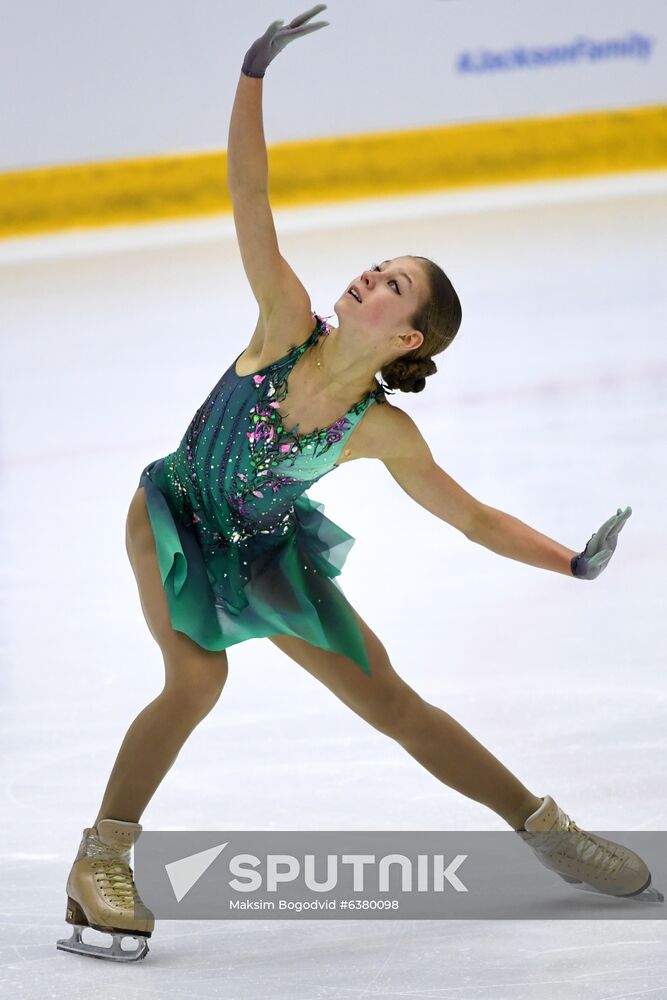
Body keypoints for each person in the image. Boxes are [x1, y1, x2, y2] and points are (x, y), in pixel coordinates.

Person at [56, 5, 660, 964]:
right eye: (377, 267)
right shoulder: (281, 323)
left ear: (407, 338)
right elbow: (249, 195)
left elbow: (470, 518)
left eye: (393, 286)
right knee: (197, 677)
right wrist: (254, 75)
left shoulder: (379, 429)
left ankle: (550, 834)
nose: (370, 277)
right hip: (173, 515)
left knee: (392, 703)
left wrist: (570, 563)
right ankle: (103, 857)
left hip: (261, 555)